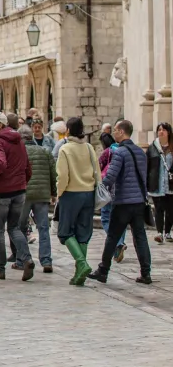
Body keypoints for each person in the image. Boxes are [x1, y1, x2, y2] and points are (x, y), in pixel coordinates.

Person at [90, 119, 153, 285]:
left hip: (123, 201)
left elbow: (110, 176)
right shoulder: (140, 152)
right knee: (140, 237)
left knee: (112, 236)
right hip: (139, 201)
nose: (114, 134)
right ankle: (146, 273)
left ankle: (103, 270)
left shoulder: (119, 152)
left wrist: (99, 191)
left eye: (116, 131)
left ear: (121, 132)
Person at [0, 112, 34, 281]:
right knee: (14, 228)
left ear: (0, 125)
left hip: (3, 192)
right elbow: (27, 165)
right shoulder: (18, 140)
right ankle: (26, 259)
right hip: (19, 191)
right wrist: (22, 182)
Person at [54, 117, 99, 286]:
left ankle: (81, 263)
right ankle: (79, 272)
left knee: (65, 231)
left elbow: (63, 175)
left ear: (68, 130)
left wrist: (59, 192)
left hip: (71, 193)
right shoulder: (89, 148)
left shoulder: (65, 149)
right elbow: (97, 171)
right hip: (88, 192)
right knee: (83, 232)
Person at [16, 125, 56, 274]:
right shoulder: (44, 151)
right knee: (43, 227)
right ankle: (46, 260)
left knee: (20, 227)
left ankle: (22, 260)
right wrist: (53, 192)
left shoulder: (18, 153)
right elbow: (53, 173)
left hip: (23, 194)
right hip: (42, 194)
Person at [99, 128, 127, 262]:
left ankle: (118, 243)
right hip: (123, 191)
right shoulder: (127, 151)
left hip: (109, 189)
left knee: (105, 217)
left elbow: (99, 168)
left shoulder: (107, 152)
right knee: (120, 220)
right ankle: (120, 243)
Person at [147, 122, 173, 243]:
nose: (161, 132)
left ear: (169, 132)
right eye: (159, 130)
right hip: (156, 184)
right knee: (158, 209)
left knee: (170, 210)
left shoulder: (172, 147)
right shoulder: (152, 147)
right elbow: (147, 166)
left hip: (170, 184)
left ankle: (167, 232)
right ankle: (159, 233)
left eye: (164, 130)